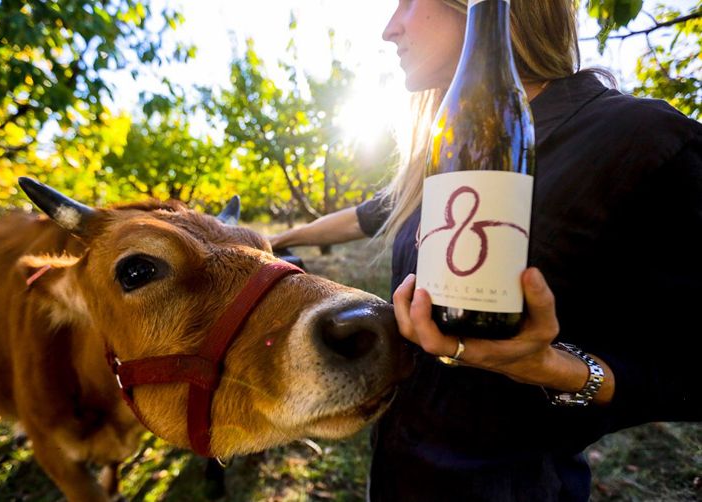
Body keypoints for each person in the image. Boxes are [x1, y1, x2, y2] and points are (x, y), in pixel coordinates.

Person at [270, 0, 702, 500]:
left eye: (410, 1)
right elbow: (361, 216)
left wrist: (560, 369)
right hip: (395, 469)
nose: (390, 28)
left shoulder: (642, 140)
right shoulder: (440, 150)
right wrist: (274, 241)